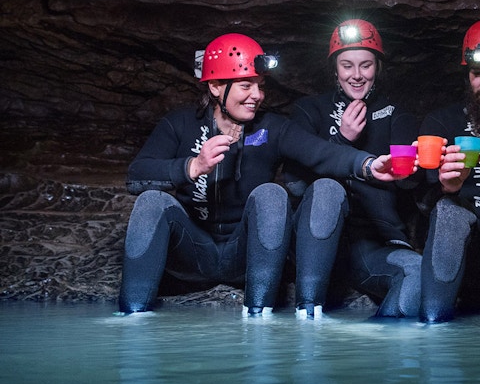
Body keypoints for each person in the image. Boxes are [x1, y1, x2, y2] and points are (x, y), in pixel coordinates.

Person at [118, 32, 405, 316]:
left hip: (247, 256)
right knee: (152, 201)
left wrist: (367, 165)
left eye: (260, 85)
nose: (257, 96)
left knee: (271, 193)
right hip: (194, 251)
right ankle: (132, 315)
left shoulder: (272, 128)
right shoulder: (179, 124)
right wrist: (191, 166)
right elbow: (137, 174)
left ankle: (259, 313)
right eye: (246, 86)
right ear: (216, 86)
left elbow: (321, 153)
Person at [284, 19, 422, 319]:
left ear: (378, 69)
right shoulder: (310, 110)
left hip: (372, 244)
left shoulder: (397, 114)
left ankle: (373, 351)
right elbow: (294, 183)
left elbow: (411, 186)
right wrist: (341, 138)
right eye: (347, 65)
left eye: (366, 65)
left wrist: (413, 172)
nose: (357, 75)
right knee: (326, 189)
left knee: (418, 274)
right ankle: (307, 320)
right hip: (314, 247)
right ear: (335, 68)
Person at [418, 20, 480, 323]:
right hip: (468, 255)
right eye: (478, 74)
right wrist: (449, 187)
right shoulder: (442, 123)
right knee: (450, 212)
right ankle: (434, 335)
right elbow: (421, 205)